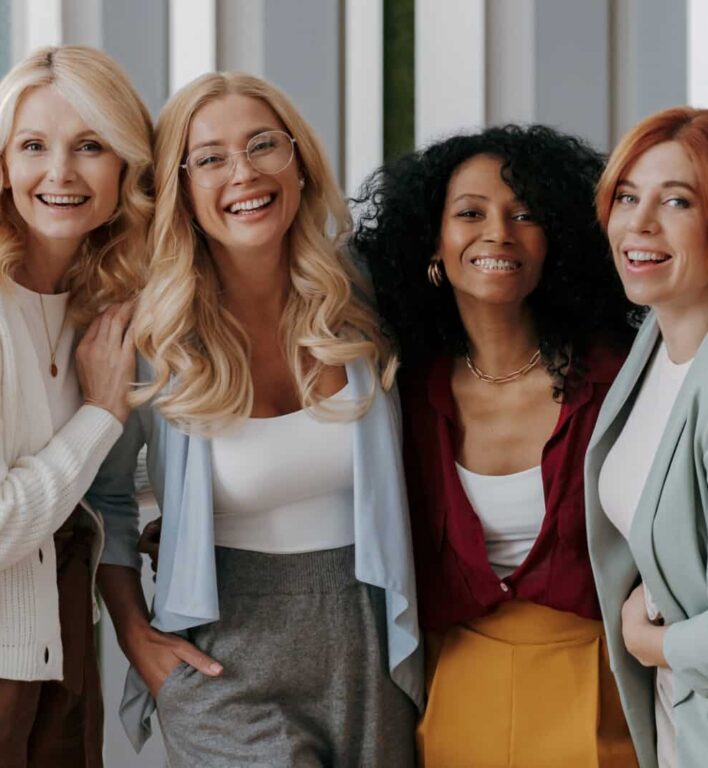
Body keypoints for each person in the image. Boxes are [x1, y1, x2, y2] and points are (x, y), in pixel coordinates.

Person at [88, 72, 422, 767]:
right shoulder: (152, 334)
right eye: (210, 157)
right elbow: (107, 498)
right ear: (181, 187)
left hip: (367, 635)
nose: (244, 172)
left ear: (299, 160)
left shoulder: (367, 294)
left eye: (263, 145)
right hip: (222, 655)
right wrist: (135, 635)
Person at [353, 124, 640, 767]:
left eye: (525, 214)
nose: (498, 233)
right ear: (433, 244)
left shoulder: (621, 380)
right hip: (456, 692)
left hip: (602, 686)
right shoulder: (403, 395)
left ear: (554, 241)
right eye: (470, 213)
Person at [586, 107, 708, 768]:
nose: (639, 223)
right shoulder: (655, 342)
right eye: (628, 197)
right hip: (682, 731)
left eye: (678, 202)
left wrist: (645, 640)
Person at [0, 46, 152, 767]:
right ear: (2, 163)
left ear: (126, 167)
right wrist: (101, 416)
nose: (60, 173)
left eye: (90, 145)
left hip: (62, 648)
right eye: (33, 145)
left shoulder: (107, 307)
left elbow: (101, 487)